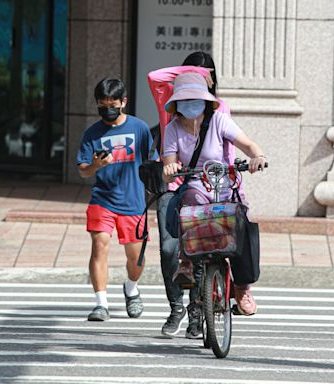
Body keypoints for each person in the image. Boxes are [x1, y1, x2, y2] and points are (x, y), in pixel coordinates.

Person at [162, 72, 266, 318]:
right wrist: (170, 168)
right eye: (185, 99)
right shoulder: (172, 129)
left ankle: (242, 289)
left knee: (242, 227)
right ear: (176, 103)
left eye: (195, 98)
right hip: (197, 184)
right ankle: (186, 262)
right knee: (191, 201)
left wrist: (257, 156)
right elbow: (169, 166)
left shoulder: (219, 120)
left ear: (206, 100)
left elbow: (249, 145)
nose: (191, 103)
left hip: (226, 185)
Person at [147, 52, 234, 338]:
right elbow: (155, 77)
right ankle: (176, 307)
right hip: (172, 186)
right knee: (169, 250)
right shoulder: (171, 107)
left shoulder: (220, 111)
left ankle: (199, 310)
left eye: (205, 73)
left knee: (201, 248)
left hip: (207, 187)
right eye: (192, 72)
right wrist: (191, 73)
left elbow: (229, 152)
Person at [76, 78, 156, 321]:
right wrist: (95, 165)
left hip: (133, 201)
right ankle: (101, 303)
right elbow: (82, 170)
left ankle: (131, 289)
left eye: (112, 104)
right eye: (102, 105)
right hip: (103, 199)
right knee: (99, 243)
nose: (107, 110)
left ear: (124, 102)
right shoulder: (92, 133)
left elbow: (151, 162)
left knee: (136, 256)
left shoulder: (140, 128)